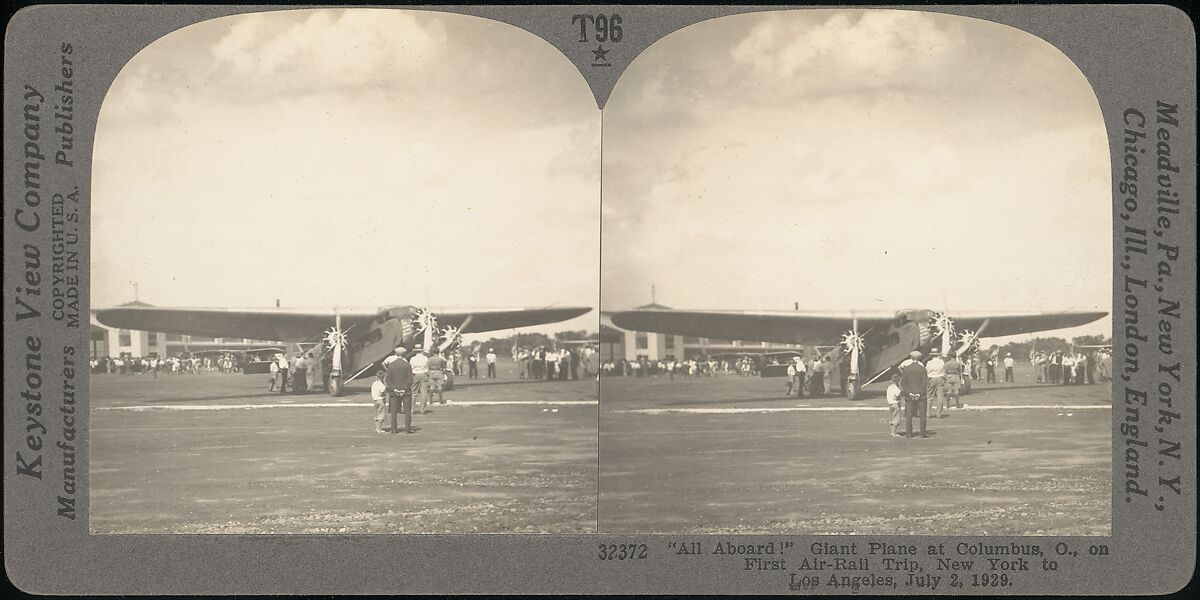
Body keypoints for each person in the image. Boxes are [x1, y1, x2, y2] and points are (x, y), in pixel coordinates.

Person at [384, 346, 414, 433]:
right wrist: (404, 389)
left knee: (394, 412)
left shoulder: (391, 365)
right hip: (406, 392)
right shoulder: (407, 365)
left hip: (394, 392)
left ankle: (394, 429)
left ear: (396, 354)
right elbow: (410, 379)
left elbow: (388, 379)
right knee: (407, 411)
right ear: (404, 354)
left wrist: (394, 389)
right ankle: (407, 429)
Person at [900, 351, 929, 439]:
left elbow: (903, 383)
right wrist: (919, 393)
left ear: (911, 358)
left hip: (909, 395)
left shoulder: (906, 369)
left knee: (909, 415)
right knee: (922, 415)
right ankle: (922, 433)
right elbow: (925, 383)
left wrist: (909, 393)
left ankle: (909, 433)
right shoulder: (922, 369)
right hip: (921, 396)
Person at [926, 352, 947, 418]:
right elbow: (944, 370)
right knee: (940, 397)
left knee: (930, 396)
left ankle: (928, 413)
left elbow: (927, 370)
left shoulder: (929, 362)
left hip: (932, 378)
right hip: (940, 378)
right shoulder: (941, 362)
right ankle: (938, 413)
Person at [410, 346, 430, 413]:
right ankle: (422, 409)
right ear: (422, 351)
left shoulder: (412, 359)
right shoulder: (425, 358)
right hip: (424, 374)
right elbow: (428, 366)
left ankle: (412, 409)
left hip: (415, 374)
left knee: (413, 392)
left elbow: (411, 367)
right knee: (424, 393)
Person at [886, 372, 904, 438]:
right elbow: (898, 395)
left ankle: (892, 432)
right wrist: (899, 400)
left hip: (890, 404)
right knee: (896, 418)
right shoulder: (896, 388)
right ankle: (894, 433)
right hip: (895, 403)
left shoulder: (889, 387)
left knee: (892, 418)